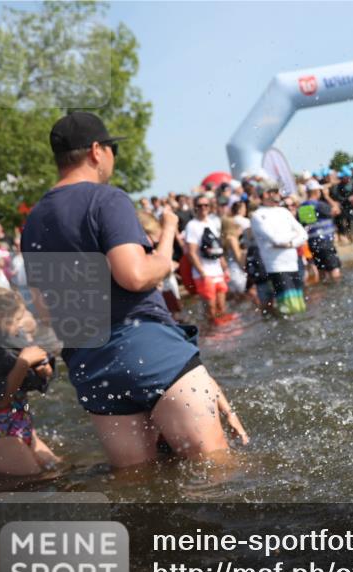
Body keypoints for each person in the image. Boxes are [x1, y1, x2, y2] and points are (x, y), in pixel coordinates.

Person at [21, 111, 247, 468]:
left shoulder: (33, 221)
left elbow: (47, 310)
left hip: (90, 363)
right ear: (97, 151)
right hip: (146, 347)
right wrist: (168, 233)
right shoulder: (105, 199)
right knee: (216, 468)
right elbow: (135, 276)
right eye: (112, 149)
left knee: (138, 486)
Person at [0, 287, 61, 475]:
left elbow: (12, 374)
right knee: (38, 484)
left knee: (58, 473)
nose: (19, 327)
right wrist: (23, 363)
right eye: (16, 320)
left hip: (19, 428)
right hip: (0, 436)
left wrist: (41, 369)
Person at [250, 182, 309, 315]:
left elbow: (304, 235)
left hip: (293, 263)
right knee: (289, 306)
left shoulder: (284, 211)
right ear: (265, 194)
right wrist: (293, 236)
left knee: (300, 305)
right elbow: (275, 239)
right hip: (276, 267)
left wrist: (289, 243)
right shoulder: (258, 216)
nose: (279, 194)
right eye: (275, 191)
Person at [184, 193, 233, 325]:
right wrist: (202, 273)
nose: (203, 208)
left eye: (206, 205)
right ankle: (211, 332)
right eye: (200, 205)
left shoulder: (213, 222)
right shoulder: (192, 225)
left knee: (222, 306)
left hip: (217, 270)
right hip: (204, 273)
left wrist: (225, 267)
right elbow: (191, 252)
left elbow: (218, 249)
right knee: (210, 308)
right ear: (195, 207)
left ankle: (223, 332)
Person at [299, 180, 343, 281]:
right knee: (334, 269)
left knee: (322, 270)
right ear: (317, 191)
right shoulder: (319, 205)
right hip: (325, 242)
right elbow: (337, 210)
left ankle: (326, 292)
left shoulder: (302, 207)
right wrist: (327, 196)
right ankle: (338, 289)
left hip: (312, 243)